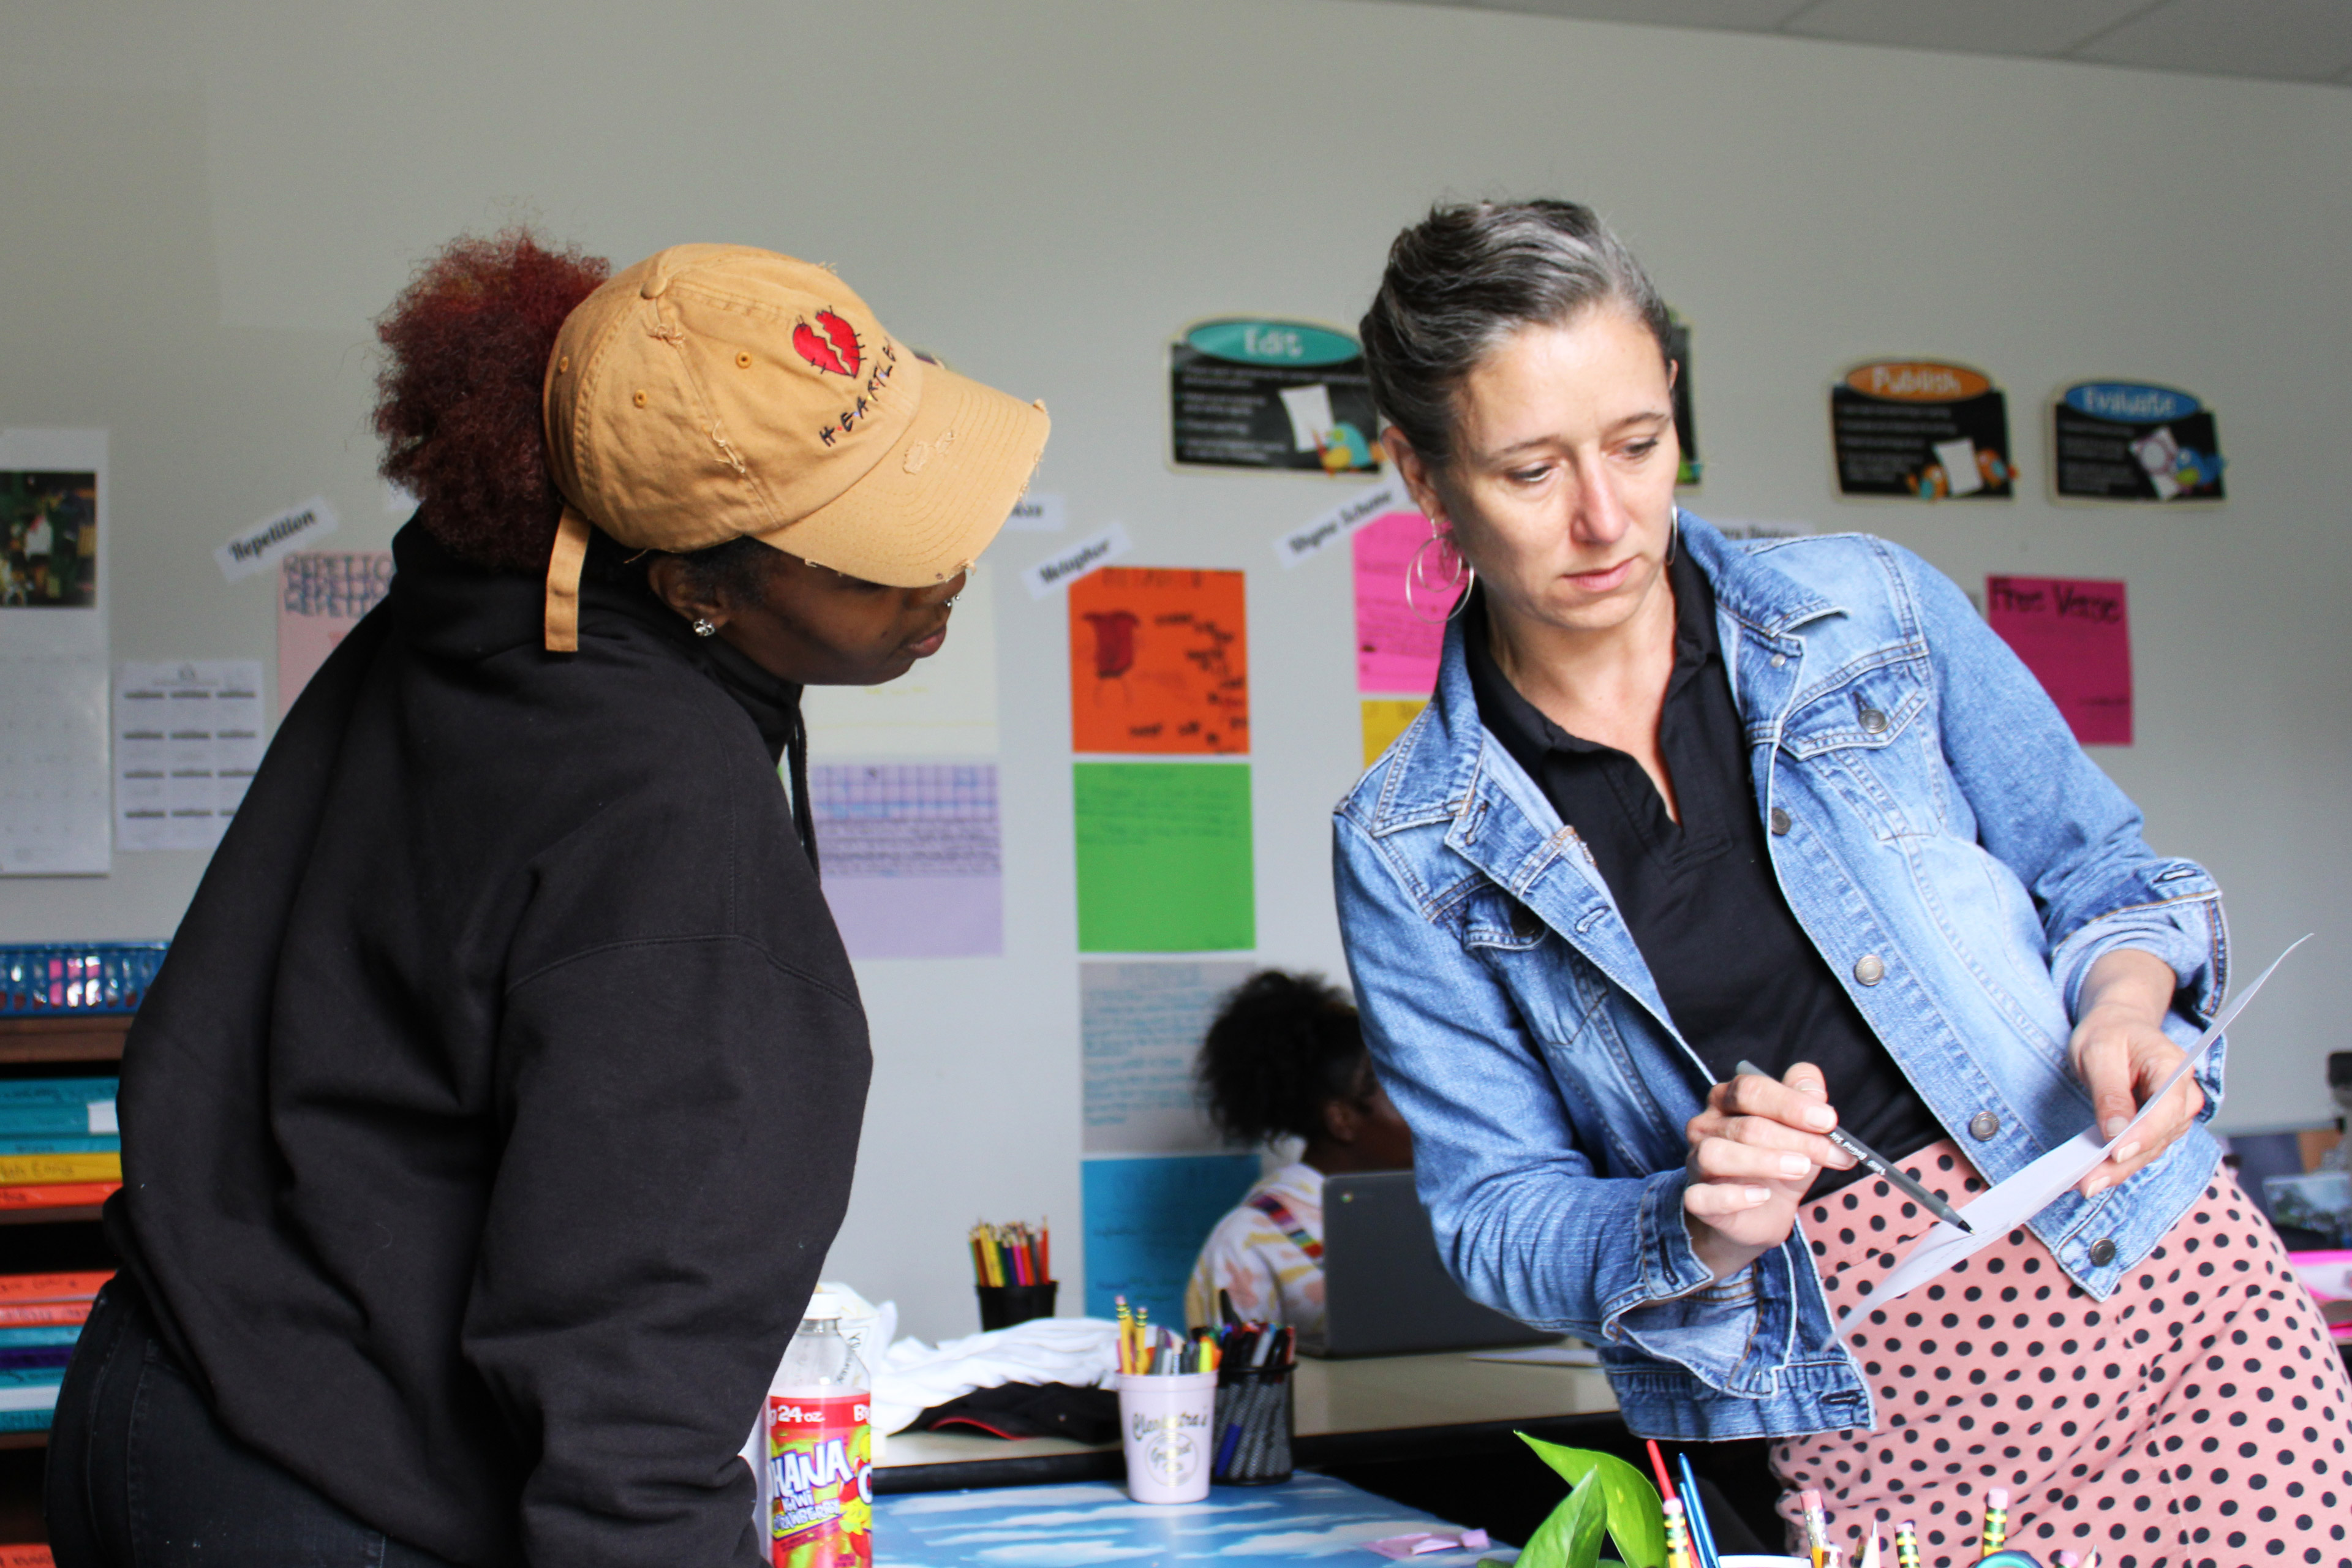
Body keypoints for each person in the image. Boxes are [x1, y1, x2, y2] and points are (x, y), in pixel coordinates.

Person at [1335, 200, 2352, 1566]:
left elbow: (2102, 869)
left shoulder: (1870, 605)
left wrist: (2125, 1003)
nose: (1605, 514)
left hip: (2171, 1302)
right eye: (1529, 470)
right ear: (1417, 468)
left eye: (1638, 443)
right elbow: (1494, 1212)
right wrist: (1688, 1220)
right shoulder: (1408, 837)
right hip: (1856, 1405)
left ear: (1673, 399)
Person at [47, 235, 1048, 1568]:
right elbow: (641, 1338)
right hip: (340, 1485)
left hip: (155, 1402)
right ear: (693, 580)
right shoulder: (667, 798)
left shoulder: (459, 634)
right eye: (871, 555)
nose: (944, 575)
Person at [1182, 970, 1413, 1348]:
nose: (1430, 1115)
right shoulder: (1246, 1243)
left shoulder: (1439, 1213)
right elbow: (1242, 1397)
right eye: (1402, 1094)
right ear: (1342, 1119)